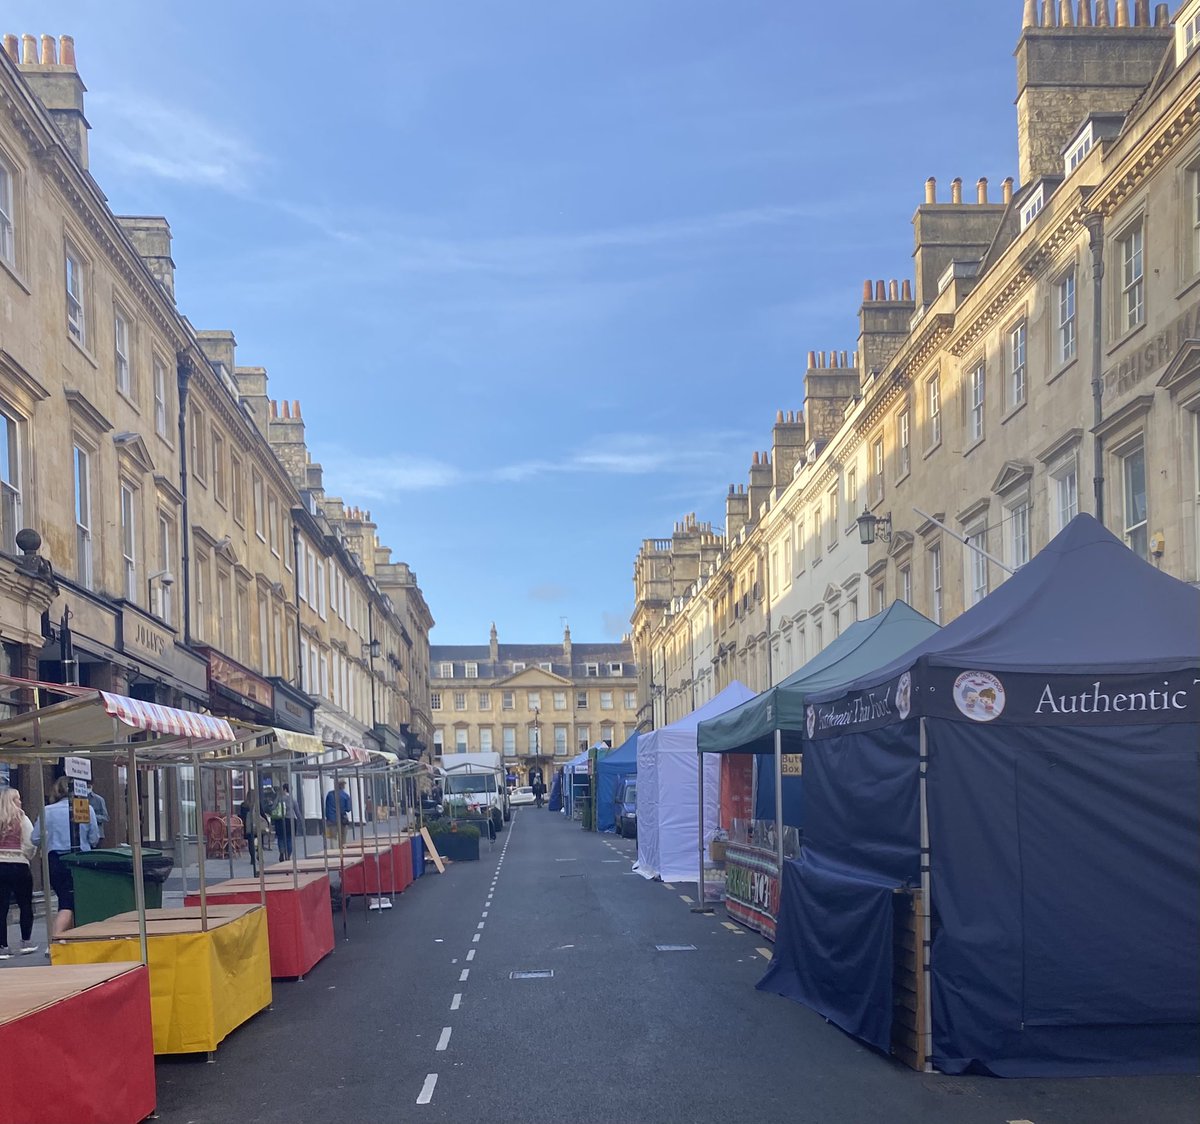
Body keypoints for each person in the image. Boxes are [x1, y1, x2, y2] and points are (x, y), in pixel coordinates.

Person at [32, 776, 100, 936]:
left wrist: (51, 837)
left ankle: (66, 937)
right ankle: (57, 937)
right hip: (81, 861)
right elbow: (94, 838)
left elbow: (35, 839)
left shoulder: (47, 811)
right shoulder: (86, 809)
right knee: (72, 902)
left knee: (65, 899)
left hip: (55, 861)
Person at [0, 786, 37, 957]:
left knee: (2, 907)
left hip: (1, 865)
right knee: (25, 904)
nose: (20, 801)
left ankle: (3, 946)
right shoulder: (22, 818)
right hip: (20, 865)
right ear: (12, 801)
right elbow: (30, 842)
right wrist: (27, 856)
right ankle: (25, 941)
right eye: (18, 799)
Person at [238, 787, 263, 876]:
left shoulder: (243, 805)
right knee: (260, 840)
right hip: (257, 825)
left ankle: (252, 858)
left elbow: (241, 816)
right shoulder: (257, 804)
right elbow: (262, 814)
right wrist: (266, 822)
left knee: (250, 842)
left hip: (248, 826)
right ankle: (259, 854)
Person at [275, 783, 299, 862]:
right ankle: (288, 855)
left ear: (284, 789)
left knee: (281, 838)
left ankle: (281, 852)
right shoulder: (293, 799)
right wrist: (301, 821)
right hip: (291, 820)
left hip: (280, 820)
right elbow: (297, 811)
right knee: (289, 838)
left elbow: (273, 807)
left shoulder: (279, 798)